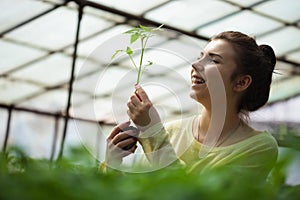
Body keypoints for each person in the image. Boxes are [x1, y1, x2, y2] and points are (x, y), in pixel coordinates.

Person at [104, 31, 278, 179]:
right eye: (200, 57)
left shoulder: (259, 147)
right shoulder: (172, 131)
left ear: (241, 82)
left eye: (214, 60)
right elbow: (142, 192)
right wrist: (112, 165)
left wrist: (153, 132)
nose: (195, 65)